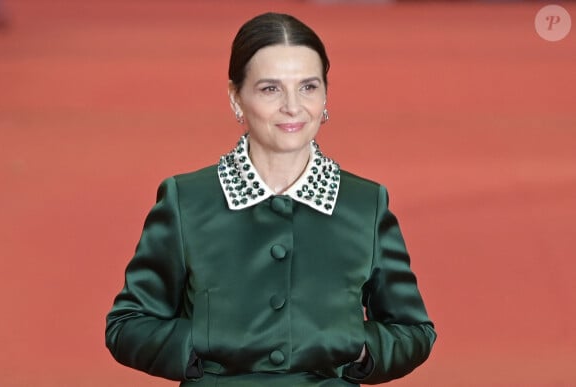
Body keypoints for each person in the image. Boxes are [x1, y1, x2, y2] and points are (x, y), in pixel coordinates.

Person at [105, 12, 436, 387]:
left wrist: (356, 346)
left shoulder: (365, 203)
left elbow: (414, 331)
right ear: (236, 98)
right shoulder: (186, 200)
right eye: (270, 89)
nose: (293, 106)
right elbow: (127, 325)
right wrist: (204, 343)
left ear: (326, 95)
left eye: (308, 87)